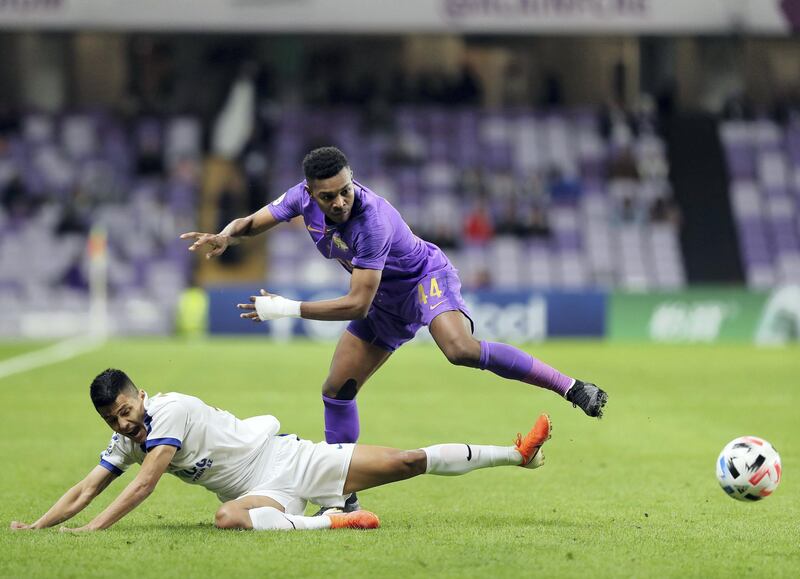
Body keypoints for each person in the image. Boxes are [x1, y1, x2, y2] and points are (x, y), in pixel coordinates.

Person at [180, 147, 607, 510]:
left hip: (422, 280)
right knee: (336, 390)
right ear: (310, 193)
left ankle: (571, 387)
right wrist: (225, 236)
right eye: (328, 196)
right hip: (384, 300)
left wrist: (287, 309)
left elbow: (357, 302)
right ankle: (342, 497)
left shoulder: (372, 222)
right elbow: (255, 222)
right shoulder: (299, 198)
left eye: (345, 190)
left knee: (459, 349)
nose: (340, 201)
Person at [9, 369, 552, 533]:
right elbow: (88, 484)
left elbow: (147, 482)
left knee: (406, 461)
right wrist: (38, 526)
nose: (125, 424)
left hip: (285, 458)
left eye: (126, 411)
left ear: (141, 396)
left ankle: (516, 455)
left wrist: (92, 529)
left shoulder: (169, 410)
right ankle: (334, 522)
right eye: (113, 420)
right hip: (262, 492)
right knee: (226, 517)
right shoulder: (124, 439)